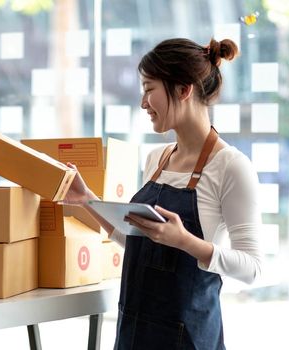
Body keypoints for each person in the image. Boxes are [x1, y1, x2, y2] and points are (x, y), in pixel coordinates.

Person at [64, 38, 263, 350]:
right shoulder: (156, 159)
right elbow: (139, 242)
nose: (143, 102)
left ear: (183, 90)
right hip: (134, 332)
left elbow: (253, 268)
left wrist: (185, 241)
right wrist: (87, 199)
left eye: (148, 88)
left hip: (190, 338)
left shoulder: (231, 167)